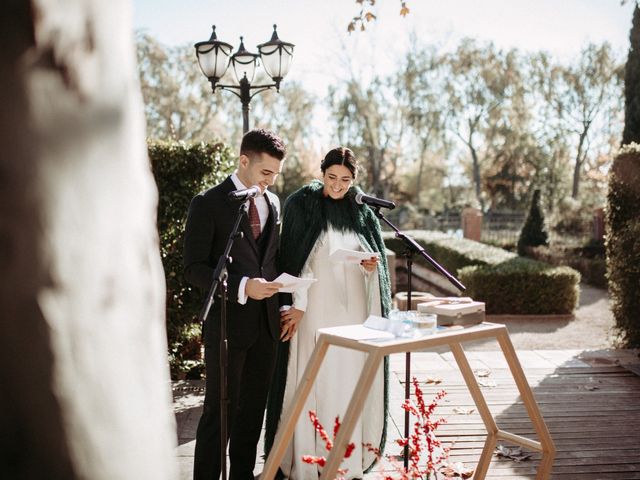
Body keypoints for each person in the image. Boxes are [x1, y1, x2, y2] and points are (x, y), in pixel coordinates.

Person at [265, 147, 392, 480]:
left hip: (355, 313)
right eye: (332, 177)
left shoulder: (361, 210)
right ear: (322, 173)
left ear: (354, 180)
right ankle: (309, 460)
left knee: (349, 379)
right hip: (314, 308)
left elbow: (375, 260)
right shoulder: (301, 205)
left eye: (346, 180)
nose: (338, 186)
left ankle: (345, 460)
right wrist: (296, 305)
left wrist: (369, 266)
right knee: (314, 375)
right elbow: (292, 259)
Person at [183, 129, 287, 480]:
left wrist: (285, 298)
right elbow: (193, 268)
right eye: (265, 173)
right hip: (227, 324)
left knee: (253, 412)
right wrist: (243, 286)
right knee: (219, 413)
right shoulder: (208, 203)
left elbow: (271, 261)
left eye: (275, 174)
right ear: (244, 161)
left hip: (267, 327)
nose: (271, 181)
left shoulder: (272, 203)